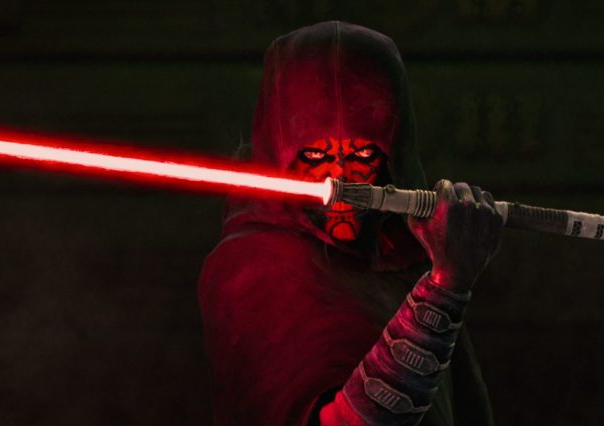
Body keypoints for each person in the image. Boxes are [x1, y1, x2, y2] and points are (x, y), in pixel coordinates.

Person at [199, 21, 503, 425]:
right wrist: (444, 289)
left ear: (393, 155)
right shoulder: (253, 268)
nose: (340, 178)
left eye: (361, 154)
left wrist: (444, 281)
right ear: (280, 154)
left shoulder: (404, 257)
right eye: (316, 156)